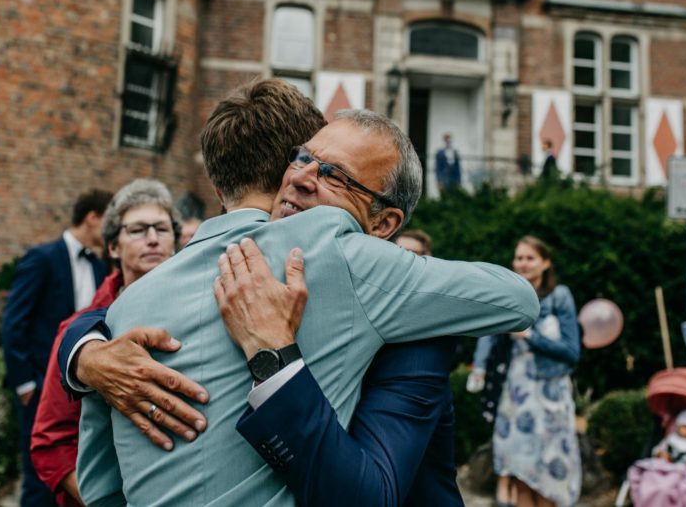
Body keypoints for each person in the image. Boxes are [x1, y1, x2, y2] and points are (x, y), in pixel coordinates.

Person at [68, 81, 539, 506]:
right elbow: (515, 297)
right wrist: (84, 355)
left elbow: (101, 491)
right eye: (301, 156)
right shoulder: (334, 252)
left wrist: (273, 356)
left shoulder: (128, 306)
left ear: (385, 224)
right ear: (279, 172)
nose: (302, 175)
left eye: (334, 173)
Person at [30, 179, 179, 506]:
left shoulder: (198, 312)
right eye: (138, 229)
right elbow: (51, 442)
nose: (152, 239)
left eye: (162, 228)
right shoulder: (79, 332)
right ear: (113, 247)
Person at [2, 188, 112, 507]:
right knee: (39, 481)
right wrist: (25, 384)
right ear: (93, 218)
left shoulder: (99, 267)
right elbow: (14, 323)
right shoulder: (42, 258)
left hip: (81, 394)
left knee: (76, 475)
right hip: (39, 386)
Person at [469, 235, 581, 507]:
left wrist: (530, 336)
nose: (522, 263)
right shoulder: (507, 294)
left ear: (545, 263)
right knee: (519, 468)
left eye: (530, 258)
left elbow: (571, 351)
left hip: (550, 394)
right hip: (515, 393)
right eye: (519, 257)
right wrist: (480, 367)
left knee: (549, 473)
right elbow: (488, 333)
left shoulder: (559, 296)